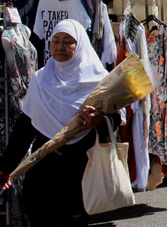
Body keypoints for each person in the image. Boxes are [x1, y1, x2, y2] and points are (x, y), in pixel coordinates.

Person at [0, 19, 121, 226]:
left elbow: (116, 119)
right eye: (55, 41)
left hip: (80, 173)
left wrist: (98, 121)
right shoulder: (40, 80)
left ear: (80, 45)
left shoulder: (99, 82)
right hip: (42, 175)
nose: (60, 47)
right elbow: (25, 126)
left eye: (67, 41)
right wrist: (5, 168)